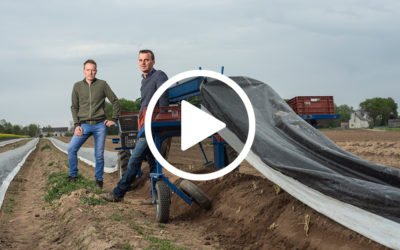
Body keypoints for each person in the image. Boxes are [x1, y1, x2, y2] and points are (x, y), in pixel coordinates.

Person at [102, 49, 168, 202]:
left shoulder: (159, 75)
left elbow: (163, 100)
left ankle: (118, 194)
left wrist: (159, 121)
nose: (143, 63)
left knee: (134, 161)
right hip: (145, 126)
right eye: (140, 60)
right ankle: (157, 198)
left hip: (152, 127)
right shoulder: (144, 80)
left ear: (153, 61)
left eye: (146, 60)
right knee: (153, 165)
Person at [67, 59, 120, 189]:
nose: (90, 72)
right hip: (83, 125)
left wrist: (114, 118)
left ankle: (98, 181)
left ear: (96, 71)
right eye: (88, 70)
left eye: (93, 70)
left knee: (99, 154)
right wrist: (77, 125)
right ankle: (73, 176)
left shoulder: (102, 84)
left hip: (100, 125)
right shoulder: (77, 86)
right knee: (71, 149)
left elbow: (115, 101)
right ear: (84, 71)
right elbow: (74, 107)